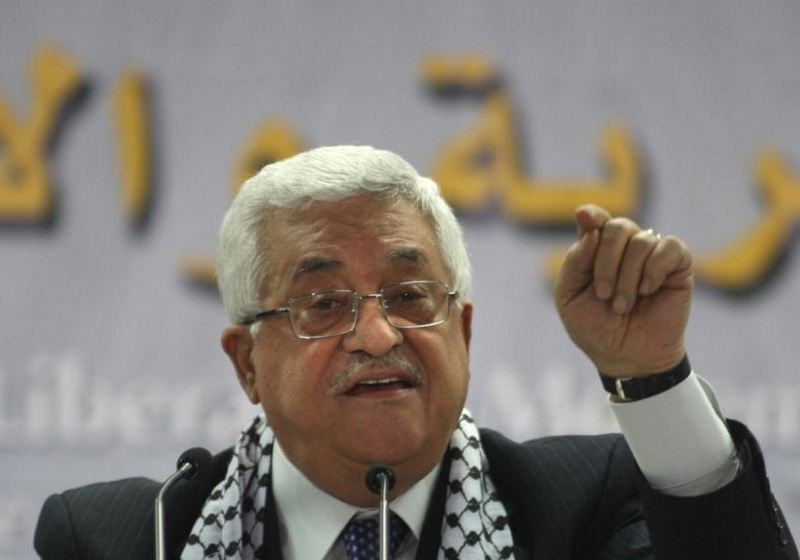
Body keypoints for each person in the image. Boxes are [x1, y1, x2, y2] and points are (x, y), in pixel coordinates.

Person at [34, 145, 797, 559]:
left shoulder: (577, 510)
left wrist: (651, 377)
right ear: (248, 365)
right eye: (323, 304)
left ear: (462, 332)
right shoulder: (130, 538)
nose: (377, 336)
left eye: (408, 295)